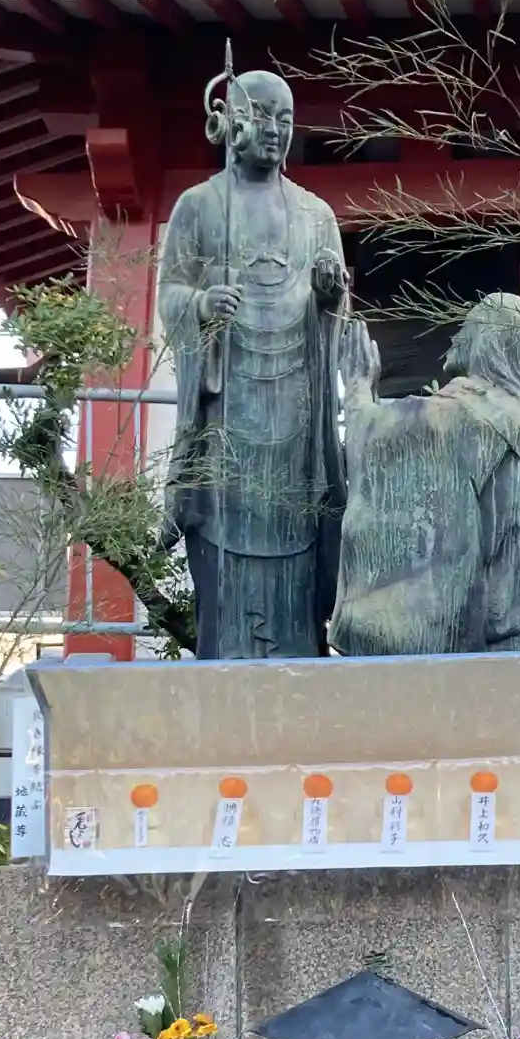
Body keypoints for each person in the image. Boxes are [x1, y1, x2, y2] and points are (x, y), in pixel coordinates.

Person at [157, 69, 347, 660]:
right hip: (227, 412)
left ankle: (297, 666)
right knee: (223, 543)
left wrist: (329, 295)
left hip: (296, 415)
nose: (274, 131)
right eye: (263, 116)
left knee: (300, 538)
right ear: (230, 121)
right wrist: (200, 303)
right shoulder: (198, 206)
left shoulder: (316, 215)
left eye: (285, 121)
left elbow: (336, 305)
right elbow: (169, 293)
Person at [331, 293, 520, 657]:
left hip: (488, 648)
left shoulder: (474, 416)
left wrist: (358, 390)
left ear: (489, 339)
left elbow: (384, 436)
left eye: (467, 328)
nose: (456, 337)